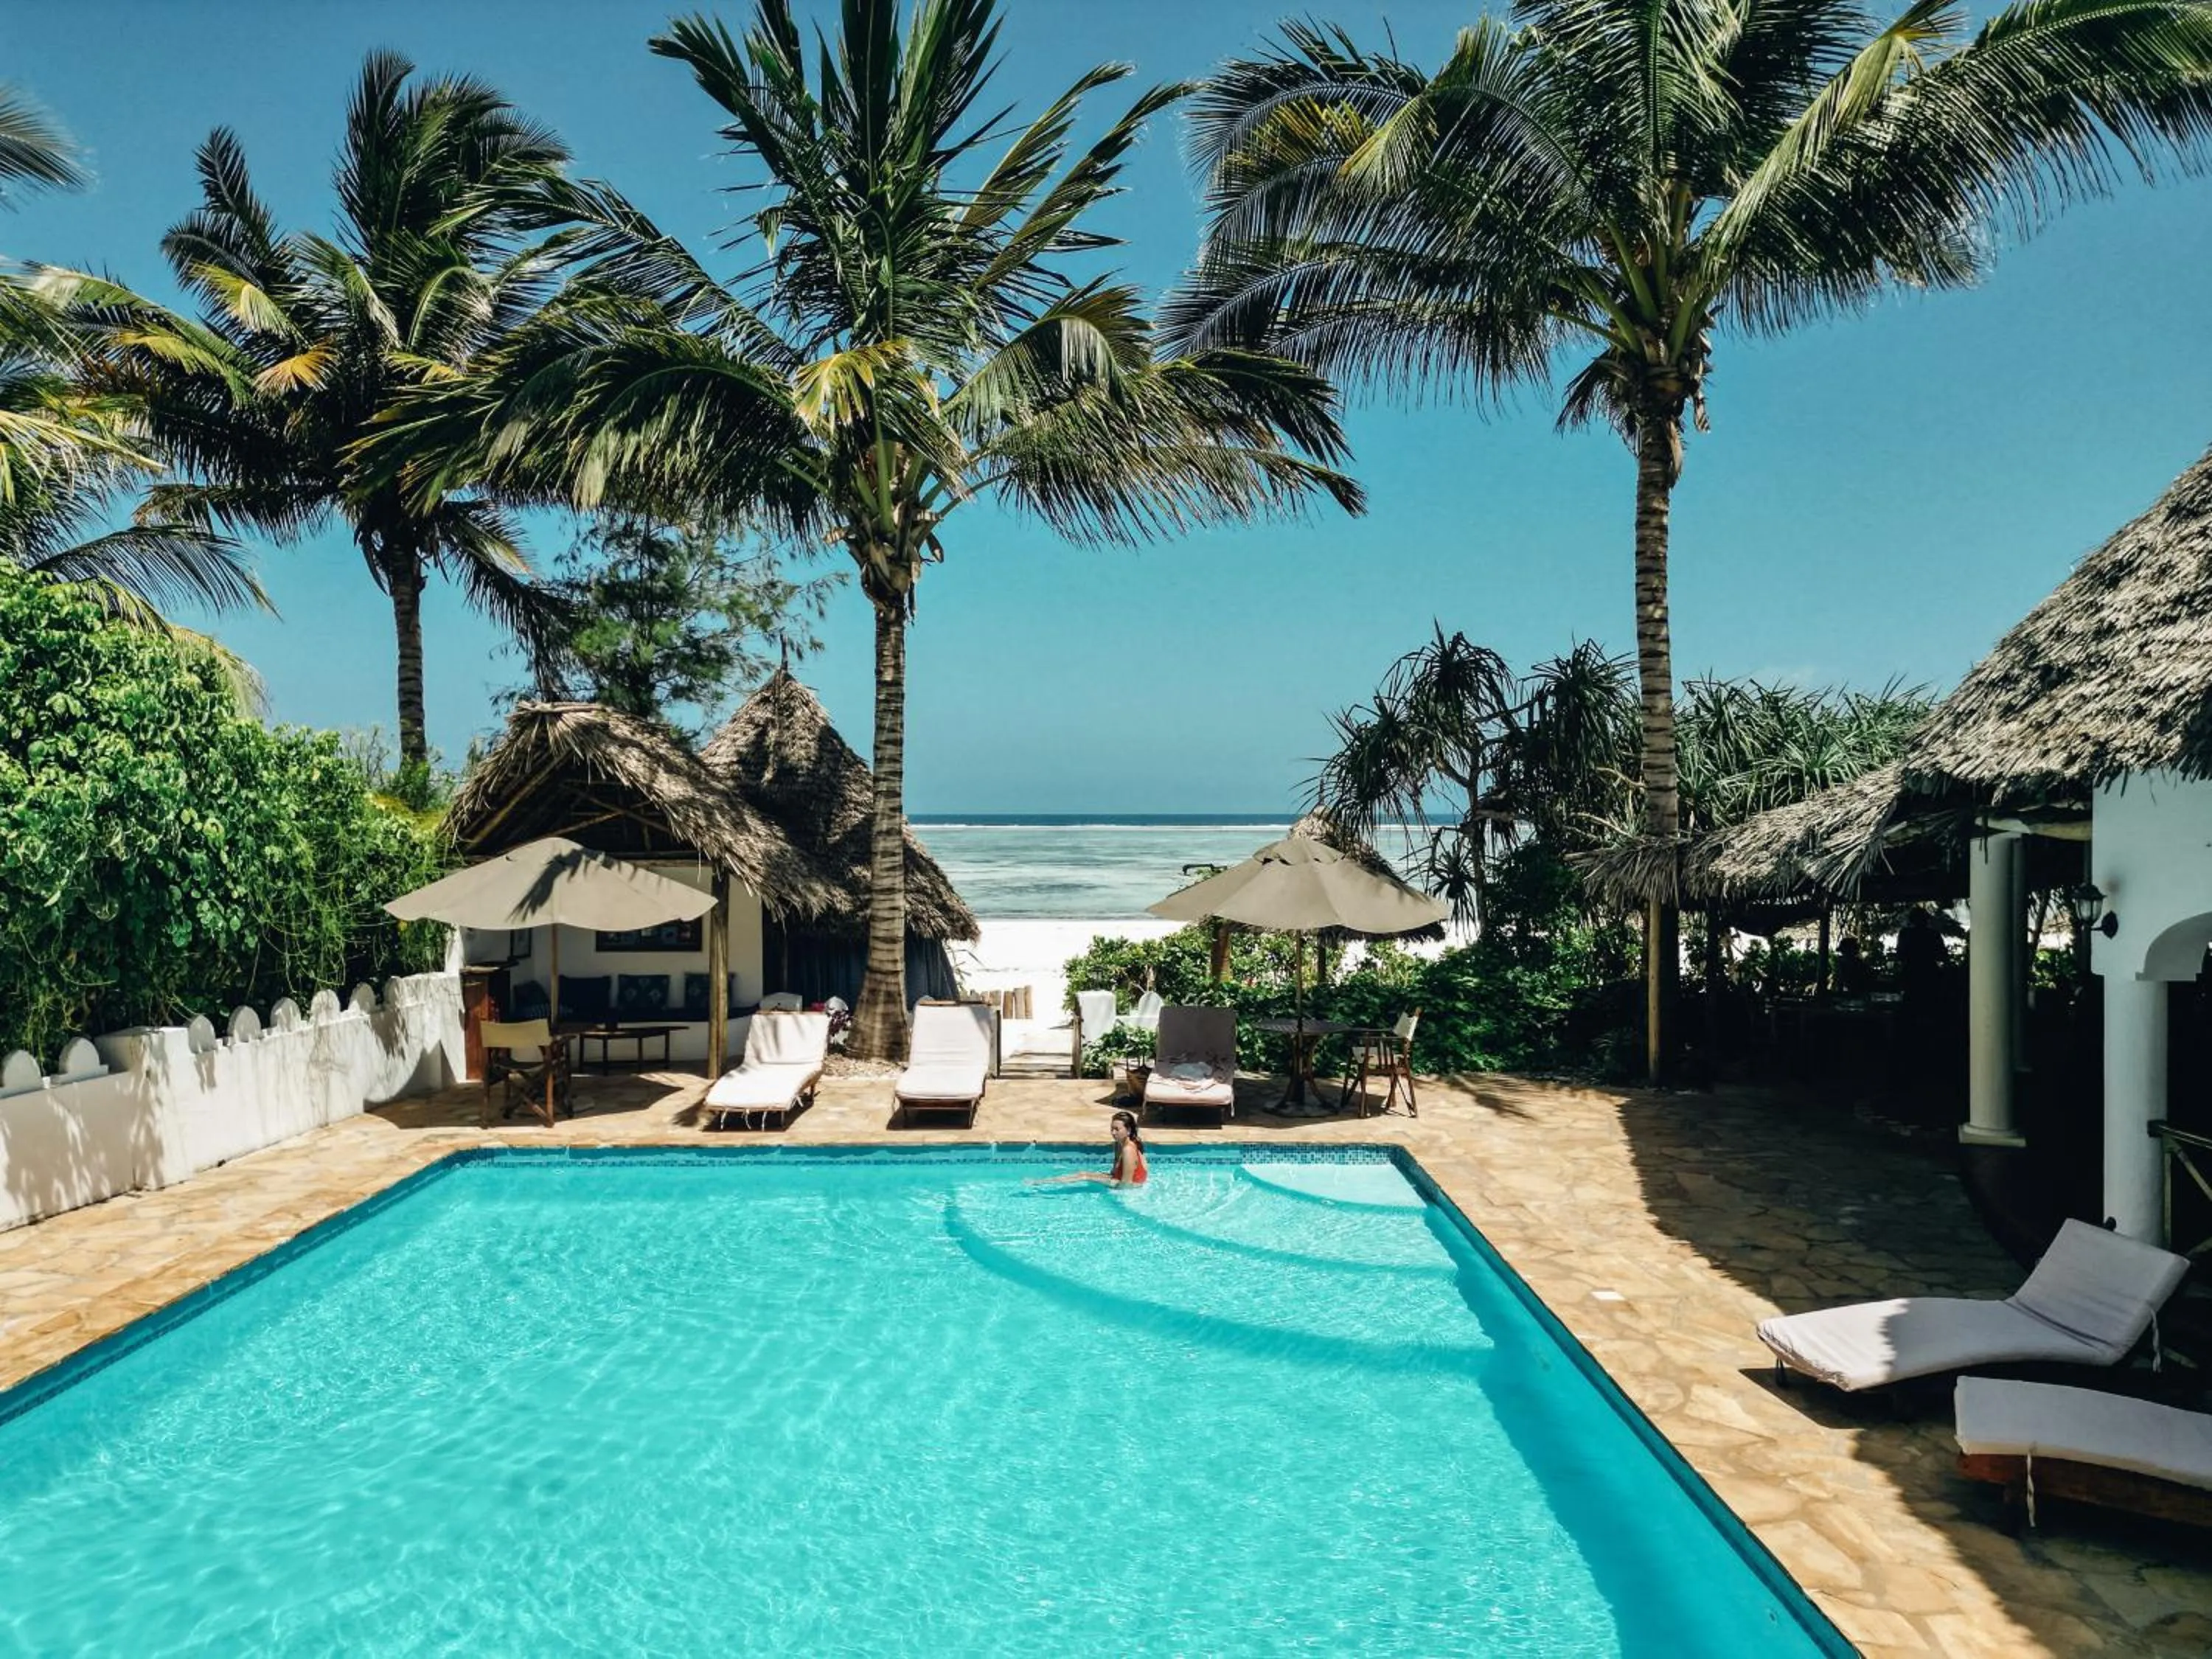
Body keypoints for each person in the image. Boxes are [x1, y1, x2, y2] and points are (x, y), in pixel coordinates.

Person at [1039, 1110, 1148, 1186]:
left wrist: (1097, 1180)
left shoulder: (1128, 1149)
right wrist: (1100, 1178)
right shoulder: (1119, 1144)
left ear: (1128, 1130)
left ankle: (1043, 1183)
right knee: (1083, 1174)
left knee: (1084, 1176)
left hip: (1132, 1188)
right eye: (1112, 1129)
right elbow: (1114, 1173)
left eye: (1117, 1129)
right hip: (1118, 1180)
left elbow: (1126, 1185)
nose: (1113, 1133)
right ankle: (1044, 1182)